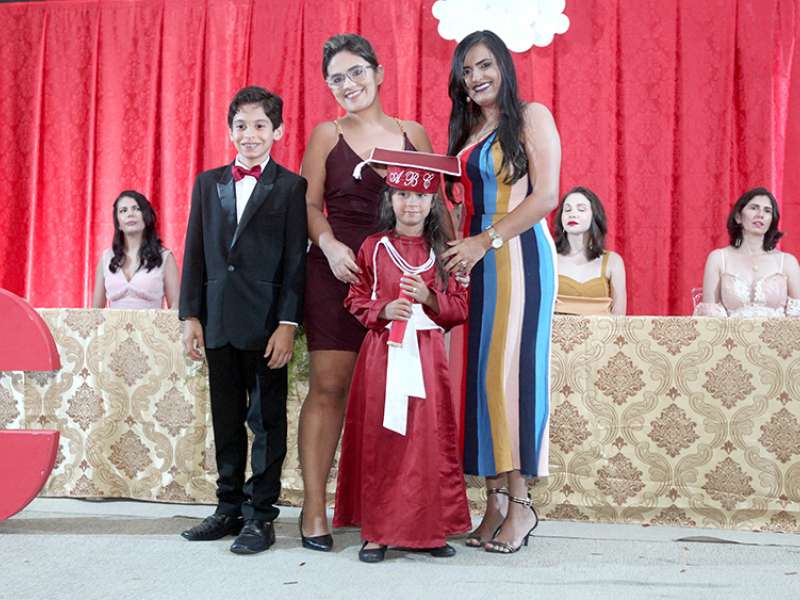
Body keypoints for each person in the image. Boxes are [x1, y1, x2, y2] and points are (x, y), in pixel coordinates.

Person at [297, 33, 433, 551]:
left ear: (378, 73)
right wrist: (329, 245)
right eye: (336, 78)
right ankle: (314, 509)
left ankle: (394, 514)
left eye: (356, 72)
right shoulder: (326, 135)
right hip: (339, 275)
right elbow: (309, 206)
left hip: (400, 280)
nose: (348, 84)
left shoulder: (414, 133)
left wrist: (441, 271)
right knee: (329, 389)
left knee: (395, 394)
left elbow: (436, 205)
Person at [441, 30, 561, 554]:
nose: (476, 77)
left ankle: (522, 504)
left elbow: (547, 196)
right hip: (476, 262)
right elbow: (457, 204)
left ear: (504, 67)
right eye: (467, 71)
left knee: (510, 377)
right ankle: (492, 502)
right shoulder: (468, 129)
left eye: (484, 65)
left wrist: (484, 240)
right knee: (480, 381)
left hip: (519, 254)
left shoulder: (531, 116)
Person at [178, 86, 308, 554]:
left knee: (266, 422)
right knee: (226, 419)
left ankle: (260, 514)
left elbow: (295, 261)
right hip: (218, 321)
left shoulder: (291, 187)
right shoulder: (207, 183)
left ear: (278, 131)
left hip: (268, 325)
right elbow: (195, 251)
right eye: (240, 125)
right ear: (229, 130)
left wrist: (288, 324)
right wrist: (191, 315)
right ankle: (228, 507)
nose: (249, 134)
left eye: (259, 125)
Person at [332, 149, 471, 563]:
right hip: (384, 354)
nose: (412, 204)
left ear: (432, 203)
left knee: (427, 441)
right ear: (390, 199)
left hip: (427, 358)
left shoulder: (445, 252)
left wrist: (429, 297)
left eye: (421, 197)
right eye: (403, 195)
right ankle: (377, 532)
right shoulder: (374, 248)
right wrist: (382, 310)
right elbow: (355, 298)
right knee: (384, 439)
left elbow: (459, 308)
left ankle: (428, 530)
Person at [696, 187, 800, 318]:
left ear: (772, 220)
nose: (760, 214)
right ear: (738, 217)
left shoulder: (788, 262)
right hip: (730, 332)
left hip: (779, 332)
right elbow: (709, 318)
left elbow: (797, 319)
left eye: (767, 211)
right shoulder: (718, 258)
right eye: (754, 208)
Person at [92, 190, 179, 309]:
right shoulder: (106, 258)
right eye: (123, 211)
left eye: (136, 209)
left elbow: (175, 306)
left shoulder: (165, 257)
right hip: (113, 322)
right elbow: (96, 310)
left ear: (146, 217)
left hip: (151, 322)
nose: (130, 214)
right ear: (118, 223)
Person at [553, 186, 626, 315]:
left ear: (594, 217)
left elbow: (619, 317)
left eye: (581, 209)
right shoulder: (550, 258)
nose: (572, 214)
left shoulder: (613, 261)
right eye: (567, 210)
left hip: (603, 328)